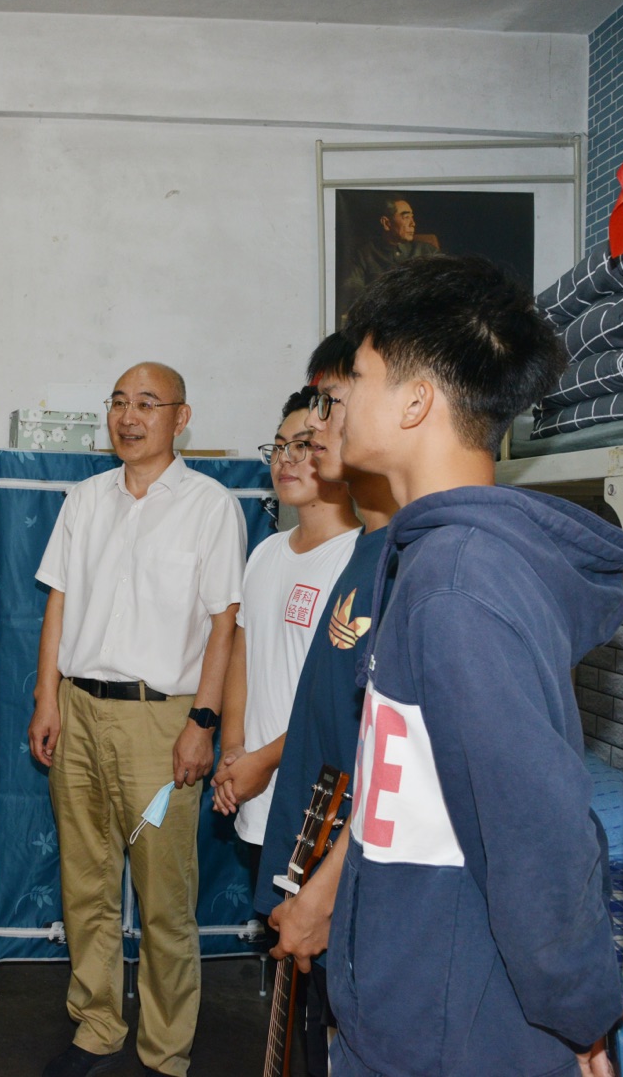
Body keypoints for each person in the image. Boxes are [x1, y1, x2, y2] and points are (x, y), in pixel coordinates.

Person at [320, 255, 623, 1075]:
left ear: (416, 402)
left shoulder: (459, 587)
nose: (341, 399)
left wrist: (581, 1010)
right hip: (409, 1017)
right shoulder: (433, 561)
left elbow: (537, 830)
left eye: (359, 376)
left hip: (454, 1043)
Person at [28, 362, 247, 1077]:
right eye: (119, 402)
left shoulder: (211, 506)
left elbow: (224, 625)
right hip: (78, 713)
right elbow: (58, 603)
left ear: (181, 418)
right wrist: (46, 698)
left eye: (147, 403)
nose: (129, 416)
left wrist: (203, 723)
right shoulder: (85, 499)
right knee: (85, 883)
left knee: (164, 896)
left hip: (162, 723)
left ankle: (165, 1050)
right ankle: (96, 1026)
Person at [256, 333, 399, 1077]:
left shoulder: (409, 563)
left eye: (332, 404)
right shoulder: (366, 554)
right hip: (310, 857)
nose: (314, 430)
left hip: (353, 888)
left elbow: (402, 768)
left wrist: (327, 887)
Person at [210, 387, 361, 847]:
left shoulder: (358, 558)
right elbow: (243, 657)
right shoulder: (265, 552)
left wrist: (262, 761)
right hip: (253, 789)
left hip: (317, 796)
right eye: (278, 447)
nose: (284, 460)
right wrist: (234, 750)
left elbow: (336, 697)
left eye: (302, 446)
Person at [340, 197, 438, 318]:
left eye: (412, 217)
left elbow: (443, 285)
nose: (413, 223)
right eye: (406, 217)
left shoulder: (428, 251)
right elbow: (353, 288)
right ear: (386, 223)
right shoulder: (363, 254)